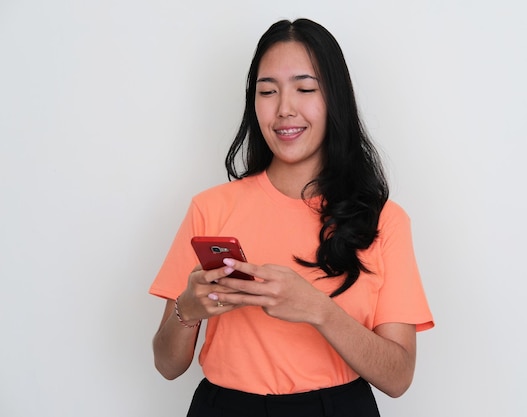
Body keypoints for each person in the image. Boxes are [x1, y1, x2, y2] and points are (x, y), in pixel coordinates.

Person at [150, 18, 434, 417]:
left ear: (335, 98)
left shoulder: (384, 220)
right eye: (268, 91)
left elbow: (399, 377)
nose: (285, 109)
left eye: (305, 88)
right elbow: (167, 365)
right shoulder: (209, 208)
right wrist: (187, 310)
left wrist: (317, 309)